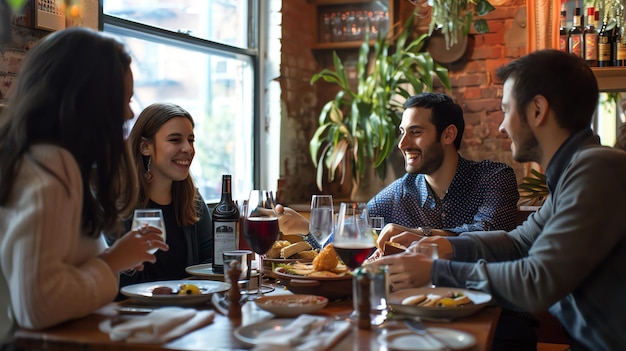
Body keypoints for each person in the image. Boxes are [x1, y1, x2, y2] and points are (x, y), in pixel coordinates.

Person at [372, 49, 626, 350]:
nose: (502, 126)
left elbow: (537, 280)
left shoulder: (596, 168)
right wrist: (446, 246)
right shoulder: (576, 172)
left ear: (537, 110)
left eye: (506, 110)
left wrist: (435, 269)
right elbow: (518, 242)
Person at [0, 27, 168, 347]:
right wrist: (113, 260)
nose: (130, 113)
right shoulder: (50, 167)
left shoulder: (37, 161)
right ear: (90, 99)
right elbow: (39, 305)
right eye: (125, 99)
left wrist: (116, 257)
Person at [278, 92, 519, 247]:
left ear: (448, 134)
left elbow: (489, 233)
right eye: (402, 132)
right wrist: (306, 227)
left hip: (492, 310)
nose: (402, 145)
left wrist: (420, 234)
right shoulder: (398, 193)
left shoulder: (494, 178)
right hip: (418, 310)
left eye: (415, 132)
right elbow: (354, 236)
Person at [107, 102, 213, 292]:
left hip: (187, 310)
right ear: (145, 147)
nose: (188, 148)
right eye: (175, 140)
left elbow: (211, 262)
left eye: (191, 140)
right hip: (132, 313)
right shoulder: (117, 202)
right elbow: (110, 276)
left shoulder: (193, 202)